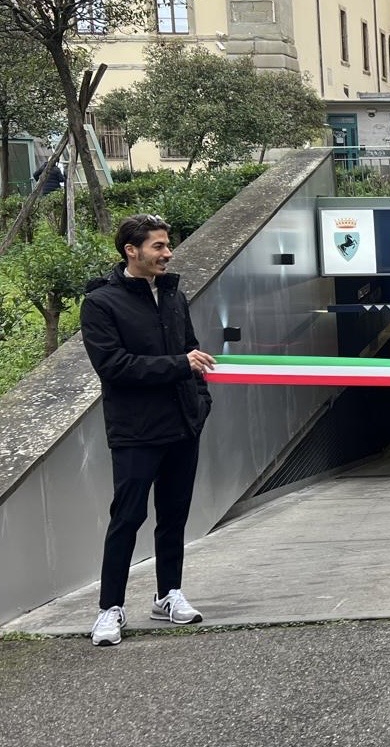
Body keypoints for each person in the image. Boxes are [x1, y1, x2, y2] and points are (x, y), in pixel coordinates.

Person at [80, 214, 217, 646]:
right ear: (131, 251)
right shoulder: (101, 303)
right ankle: (109, 609)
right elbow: (113, 366)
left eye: (167, 245)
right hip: (136, 432)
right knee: (127, 518)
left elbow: (191, 352)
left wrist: (200, 402)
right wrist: (181, 365)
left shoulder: (174, 295)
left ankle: (168, 594)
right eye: (158, 246)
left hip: (181, 425)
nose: (167, 253)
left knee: (174, 516)